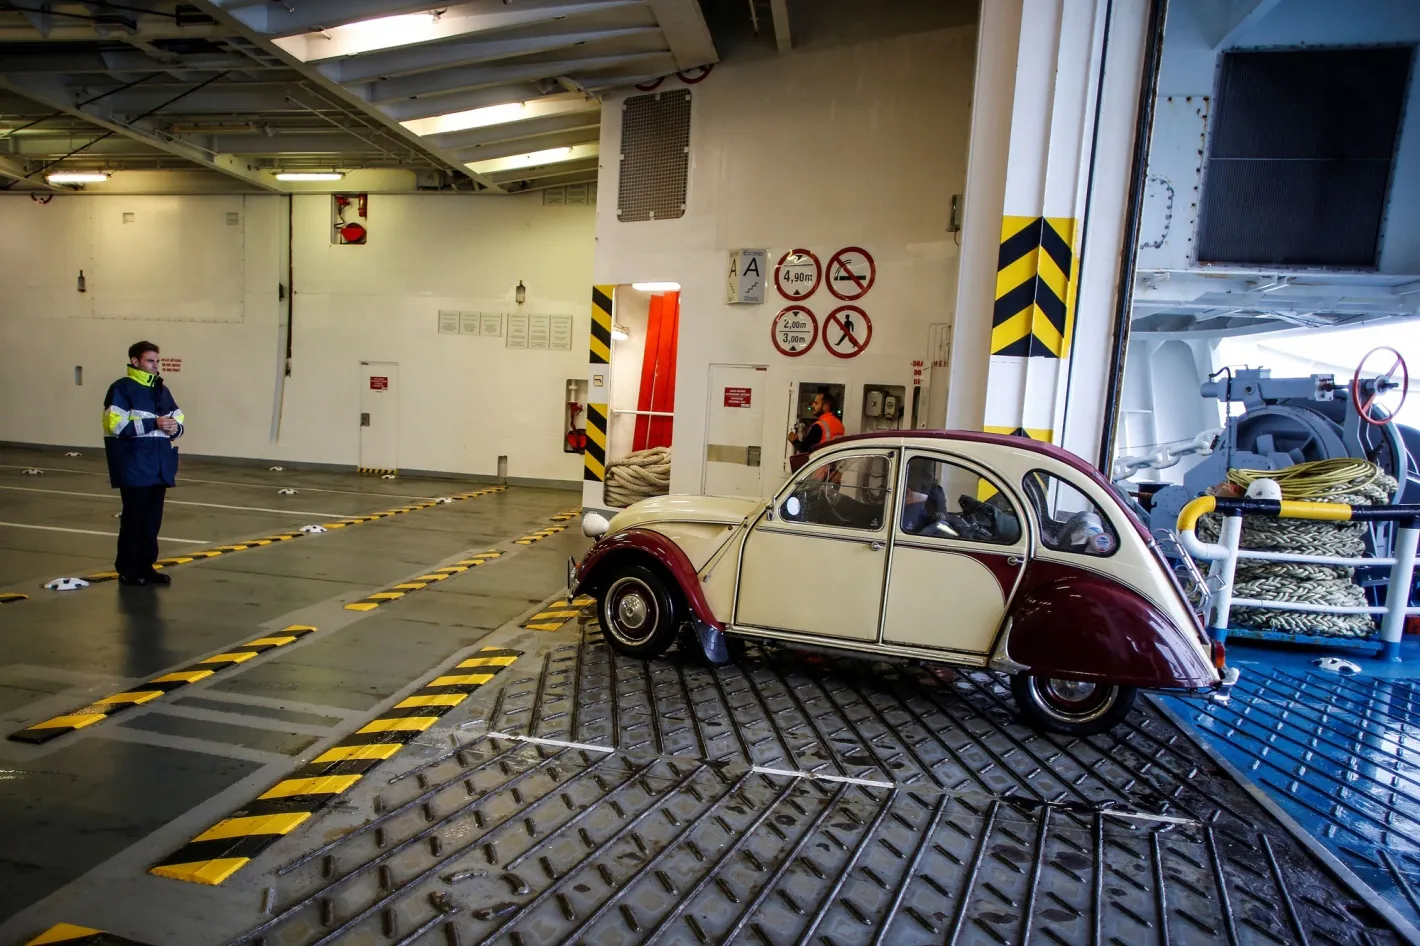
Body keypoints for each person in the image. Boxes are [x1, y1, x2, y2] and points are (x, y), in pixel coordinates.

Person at [103, 341, 184, 586]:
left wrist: (175, 427)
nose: (155, 365)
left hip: (159, 466)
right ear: (135, 361)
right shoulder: (121, 388)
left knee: (151, 522)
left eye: (157, 361)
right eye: (150, 361)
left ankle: (146, 567)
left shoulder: (161, 390)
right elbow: (114, 425)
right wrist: (155, 424)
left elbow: (177, 418)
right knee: (134, 520)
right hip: (134, 465)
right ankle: (128, 569)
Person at [787, 389, 844, 455]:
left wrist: (794, 441)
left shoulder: (819, 426)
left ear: (825, 407)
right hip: (833, 462)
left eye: (816, 403)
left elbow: (805, 448)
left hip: (821, 463)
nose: (813, 406)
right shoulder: (840, 425)